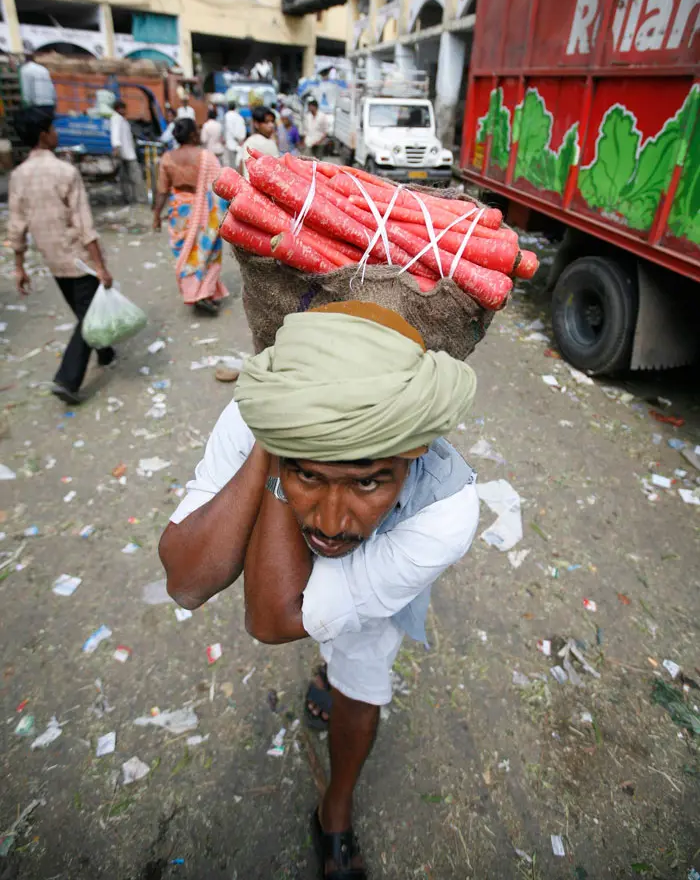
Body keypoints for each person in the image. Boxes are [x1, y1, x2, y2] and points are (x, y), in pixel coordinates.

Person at [158, 301, 479, 879]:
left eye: (368, 481)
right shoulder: (258, 419)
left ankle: (335, 807)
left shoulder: (445, 510)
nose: (332, 523)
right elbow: (185, 581)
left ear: (416, 454)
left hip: (377, 563)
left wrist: (294, 464)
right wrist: (274, 444)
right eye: (310, 474)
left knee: (360, 677)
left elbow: (272, 621)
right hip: (281, 481)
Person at [9, 108, 115, 406]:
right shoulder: (65, 172)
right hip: (79, 260)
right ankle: (67, 380)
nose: (57, 134)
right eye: (54, 129)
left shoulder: (18, 176)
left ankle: (106, 352)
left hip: (53, 260)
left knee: (86, 312)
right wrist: (101, 267)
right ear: (44, 135)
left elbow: (16, 226)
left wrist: (20, 267)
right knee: (88, 318)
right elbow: (84, 225)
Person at [152, 117, 229, 316]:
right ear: (194, 134)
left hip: (180, 212)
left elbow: (161, 190)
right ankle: (203, 292)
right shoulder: (207, 156)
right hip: (205, 212)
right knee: (208, 252)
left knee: (185, 254)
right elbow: (220, 185)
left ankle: (193, 292)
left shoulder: (167, 158)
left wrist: (155, 215)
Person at [110, 100, 145, 204]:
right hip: (125, 152)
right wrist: (116, 147)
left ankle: (129, 198)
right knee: (135, 176)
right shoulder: (116, 118)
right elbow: (115, 134)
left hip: (127, 151)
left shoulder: (121, 119)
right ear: (118, 109)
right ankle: (139, 199)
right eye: (122, 108)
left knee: (125, 177)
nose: (124, 110)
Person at [241, 105, 279, 178]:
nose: (271, 125)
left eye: (272, 121)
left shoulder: (269, 140)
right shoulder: (254, 142)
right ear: (256, 124)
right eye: (267, 122)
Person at [223, 101, 246, 171]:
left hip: (229, 143)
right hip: (238, 143)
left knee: (230, 166)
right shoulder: (239, 117)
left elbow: (226, 129)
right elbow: (242, 131)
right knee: (237, 165)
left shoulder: (227, 115)